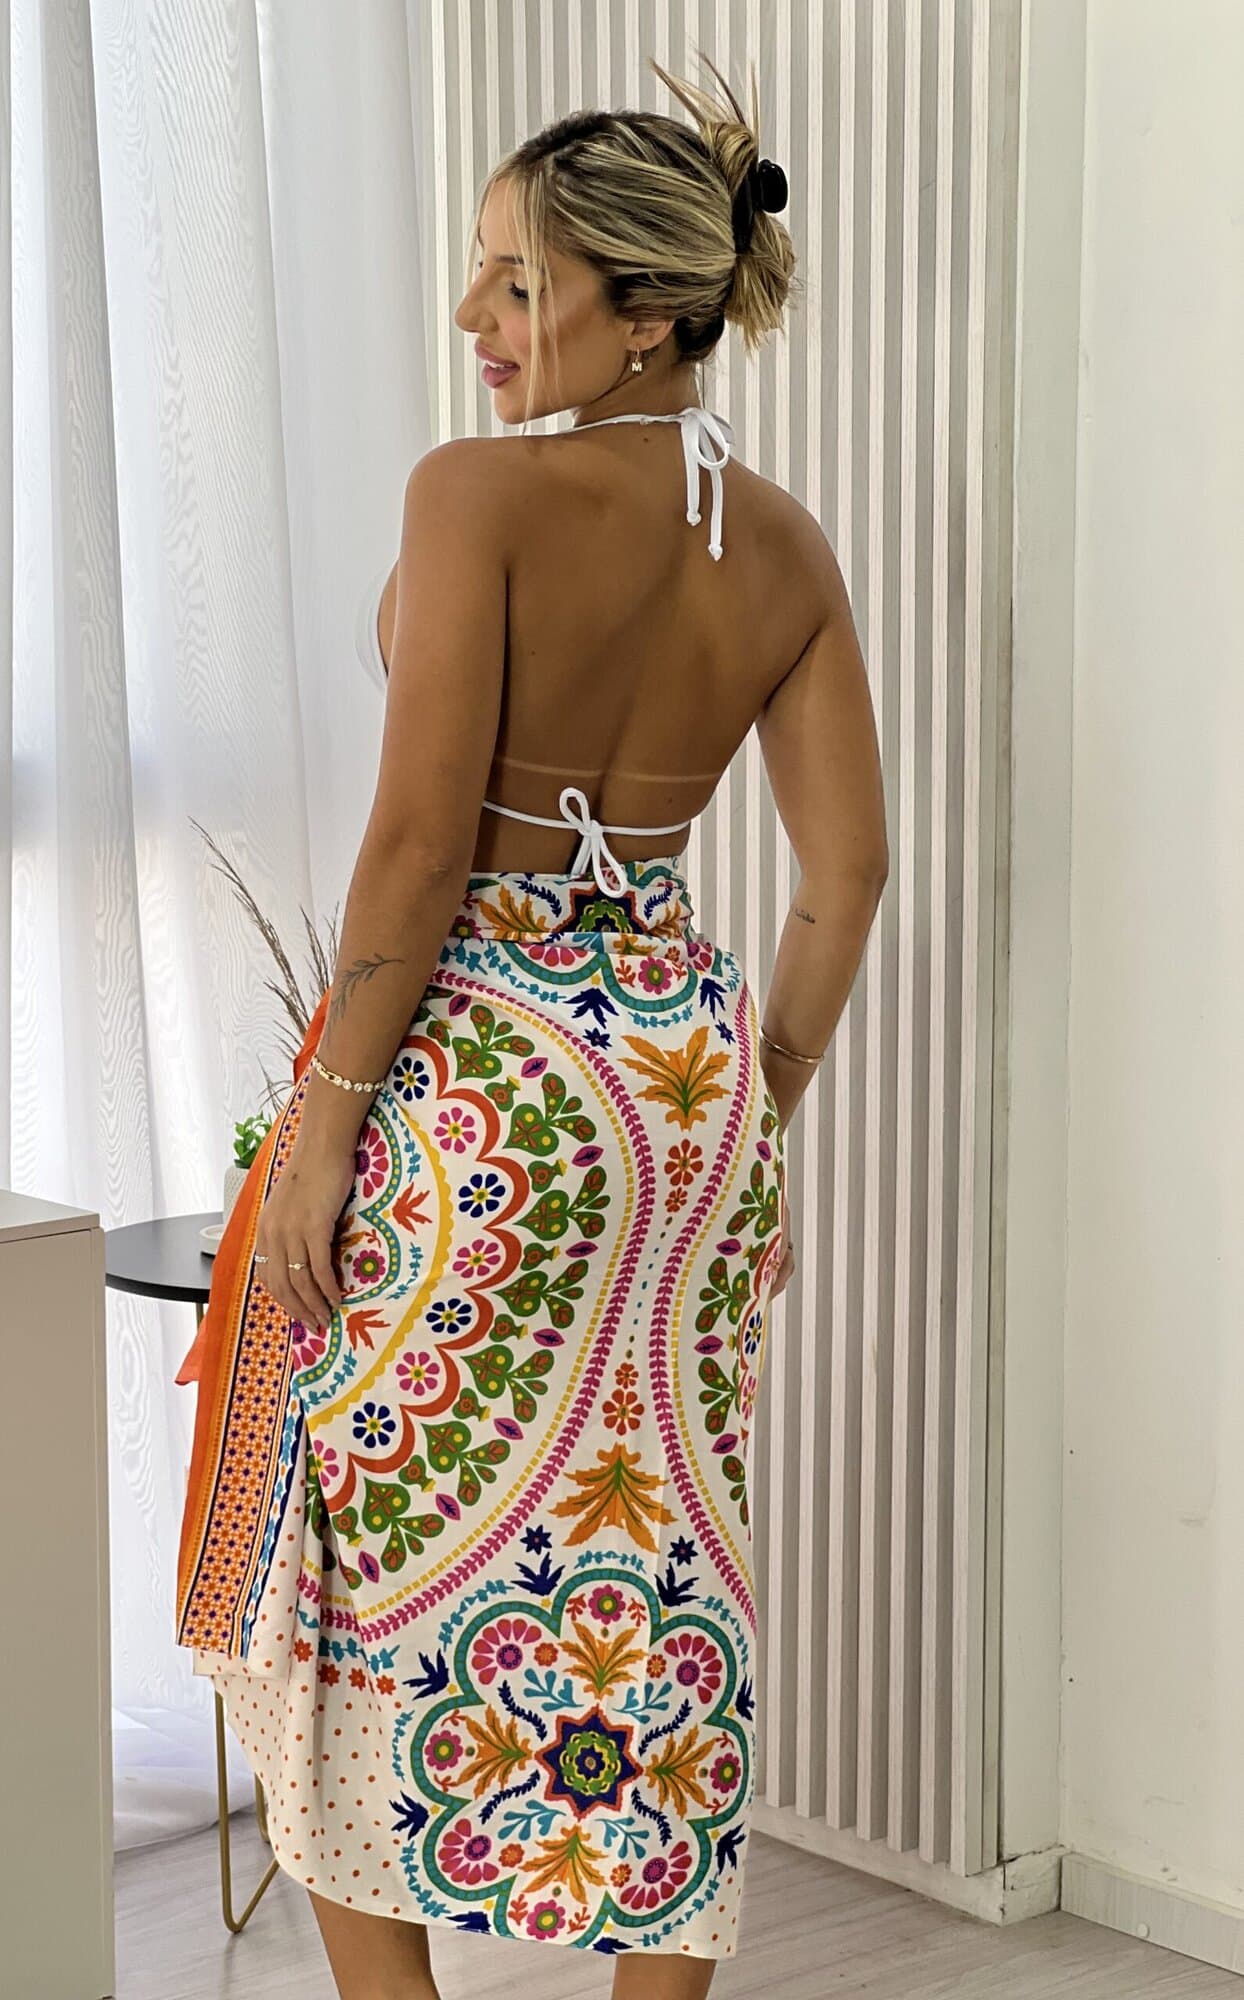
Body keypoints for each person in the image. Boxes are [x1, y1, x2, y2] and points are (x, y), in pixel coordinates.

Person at [176, 54, 887, 2000]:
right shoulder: (788, 545)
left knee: (339, 1568)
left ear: (645, 311)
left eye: (517, 279)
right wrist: (757, 1108)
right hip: (680, 1089)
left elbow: (421, 847)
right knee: (656, 1568)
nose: (474, 316)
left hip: (479, 1084)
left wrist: (329, 1126)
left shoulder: (475, 494)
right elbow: (845, 875)